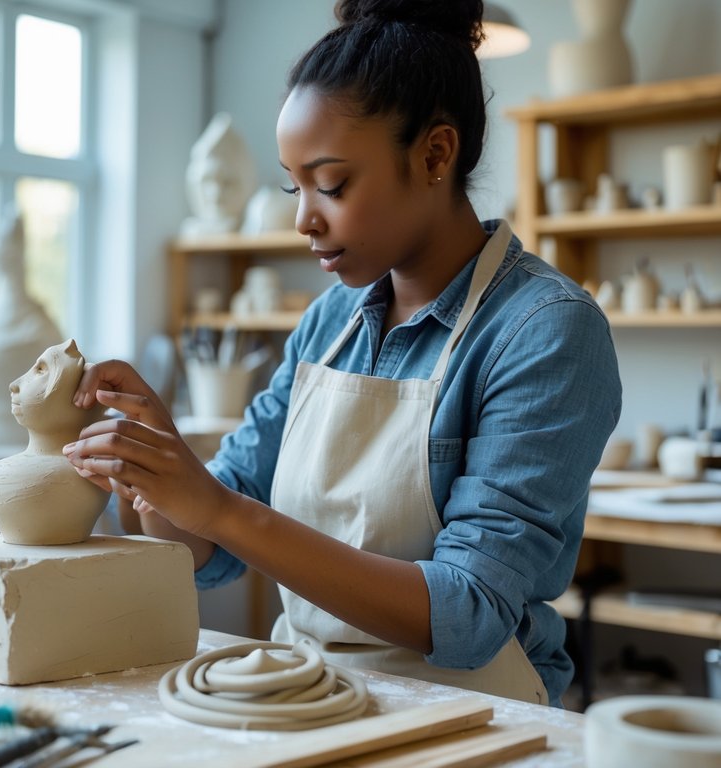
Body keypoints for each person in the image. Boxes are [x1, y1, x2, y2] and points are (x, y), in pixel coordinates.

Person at [62, 0, 621, 708]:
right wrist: (153, 464)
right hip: (308, 693)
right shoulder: (330, 321)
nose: (303, 219)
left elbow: (469, 611)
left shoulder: (544, 330)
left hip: (472, 715)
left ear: (435, 155)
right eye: (292, 186)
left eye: (330, 184)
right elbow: (203, 552)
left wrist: (217, 507)